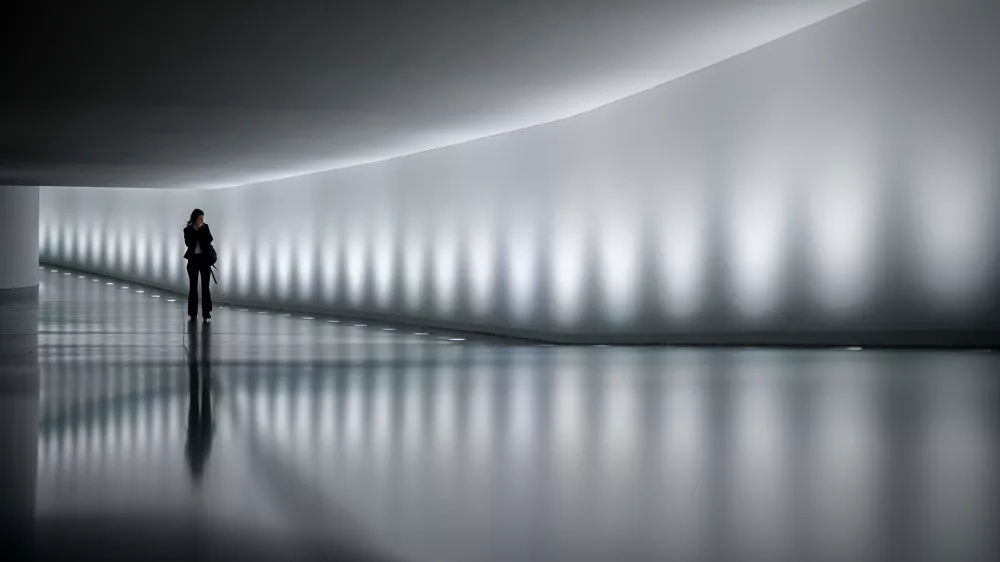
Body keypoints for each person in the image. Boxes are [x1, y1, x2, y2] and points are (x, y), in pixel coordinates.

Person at [183, 208, 215, 322]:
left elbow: (209, 239)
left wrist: (201, 230)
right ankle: (193, 312)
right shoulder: (188, 230)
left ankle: (206, 313)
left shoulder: (205, 227)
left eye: (202, 219)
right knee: (193, 287)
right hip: (193, 260)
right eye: (199, 219)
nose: (201, 221)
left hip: (204, 260)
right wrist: (195, 231)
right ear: (194, 219)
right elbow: (189, 243)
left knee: (205, 287)